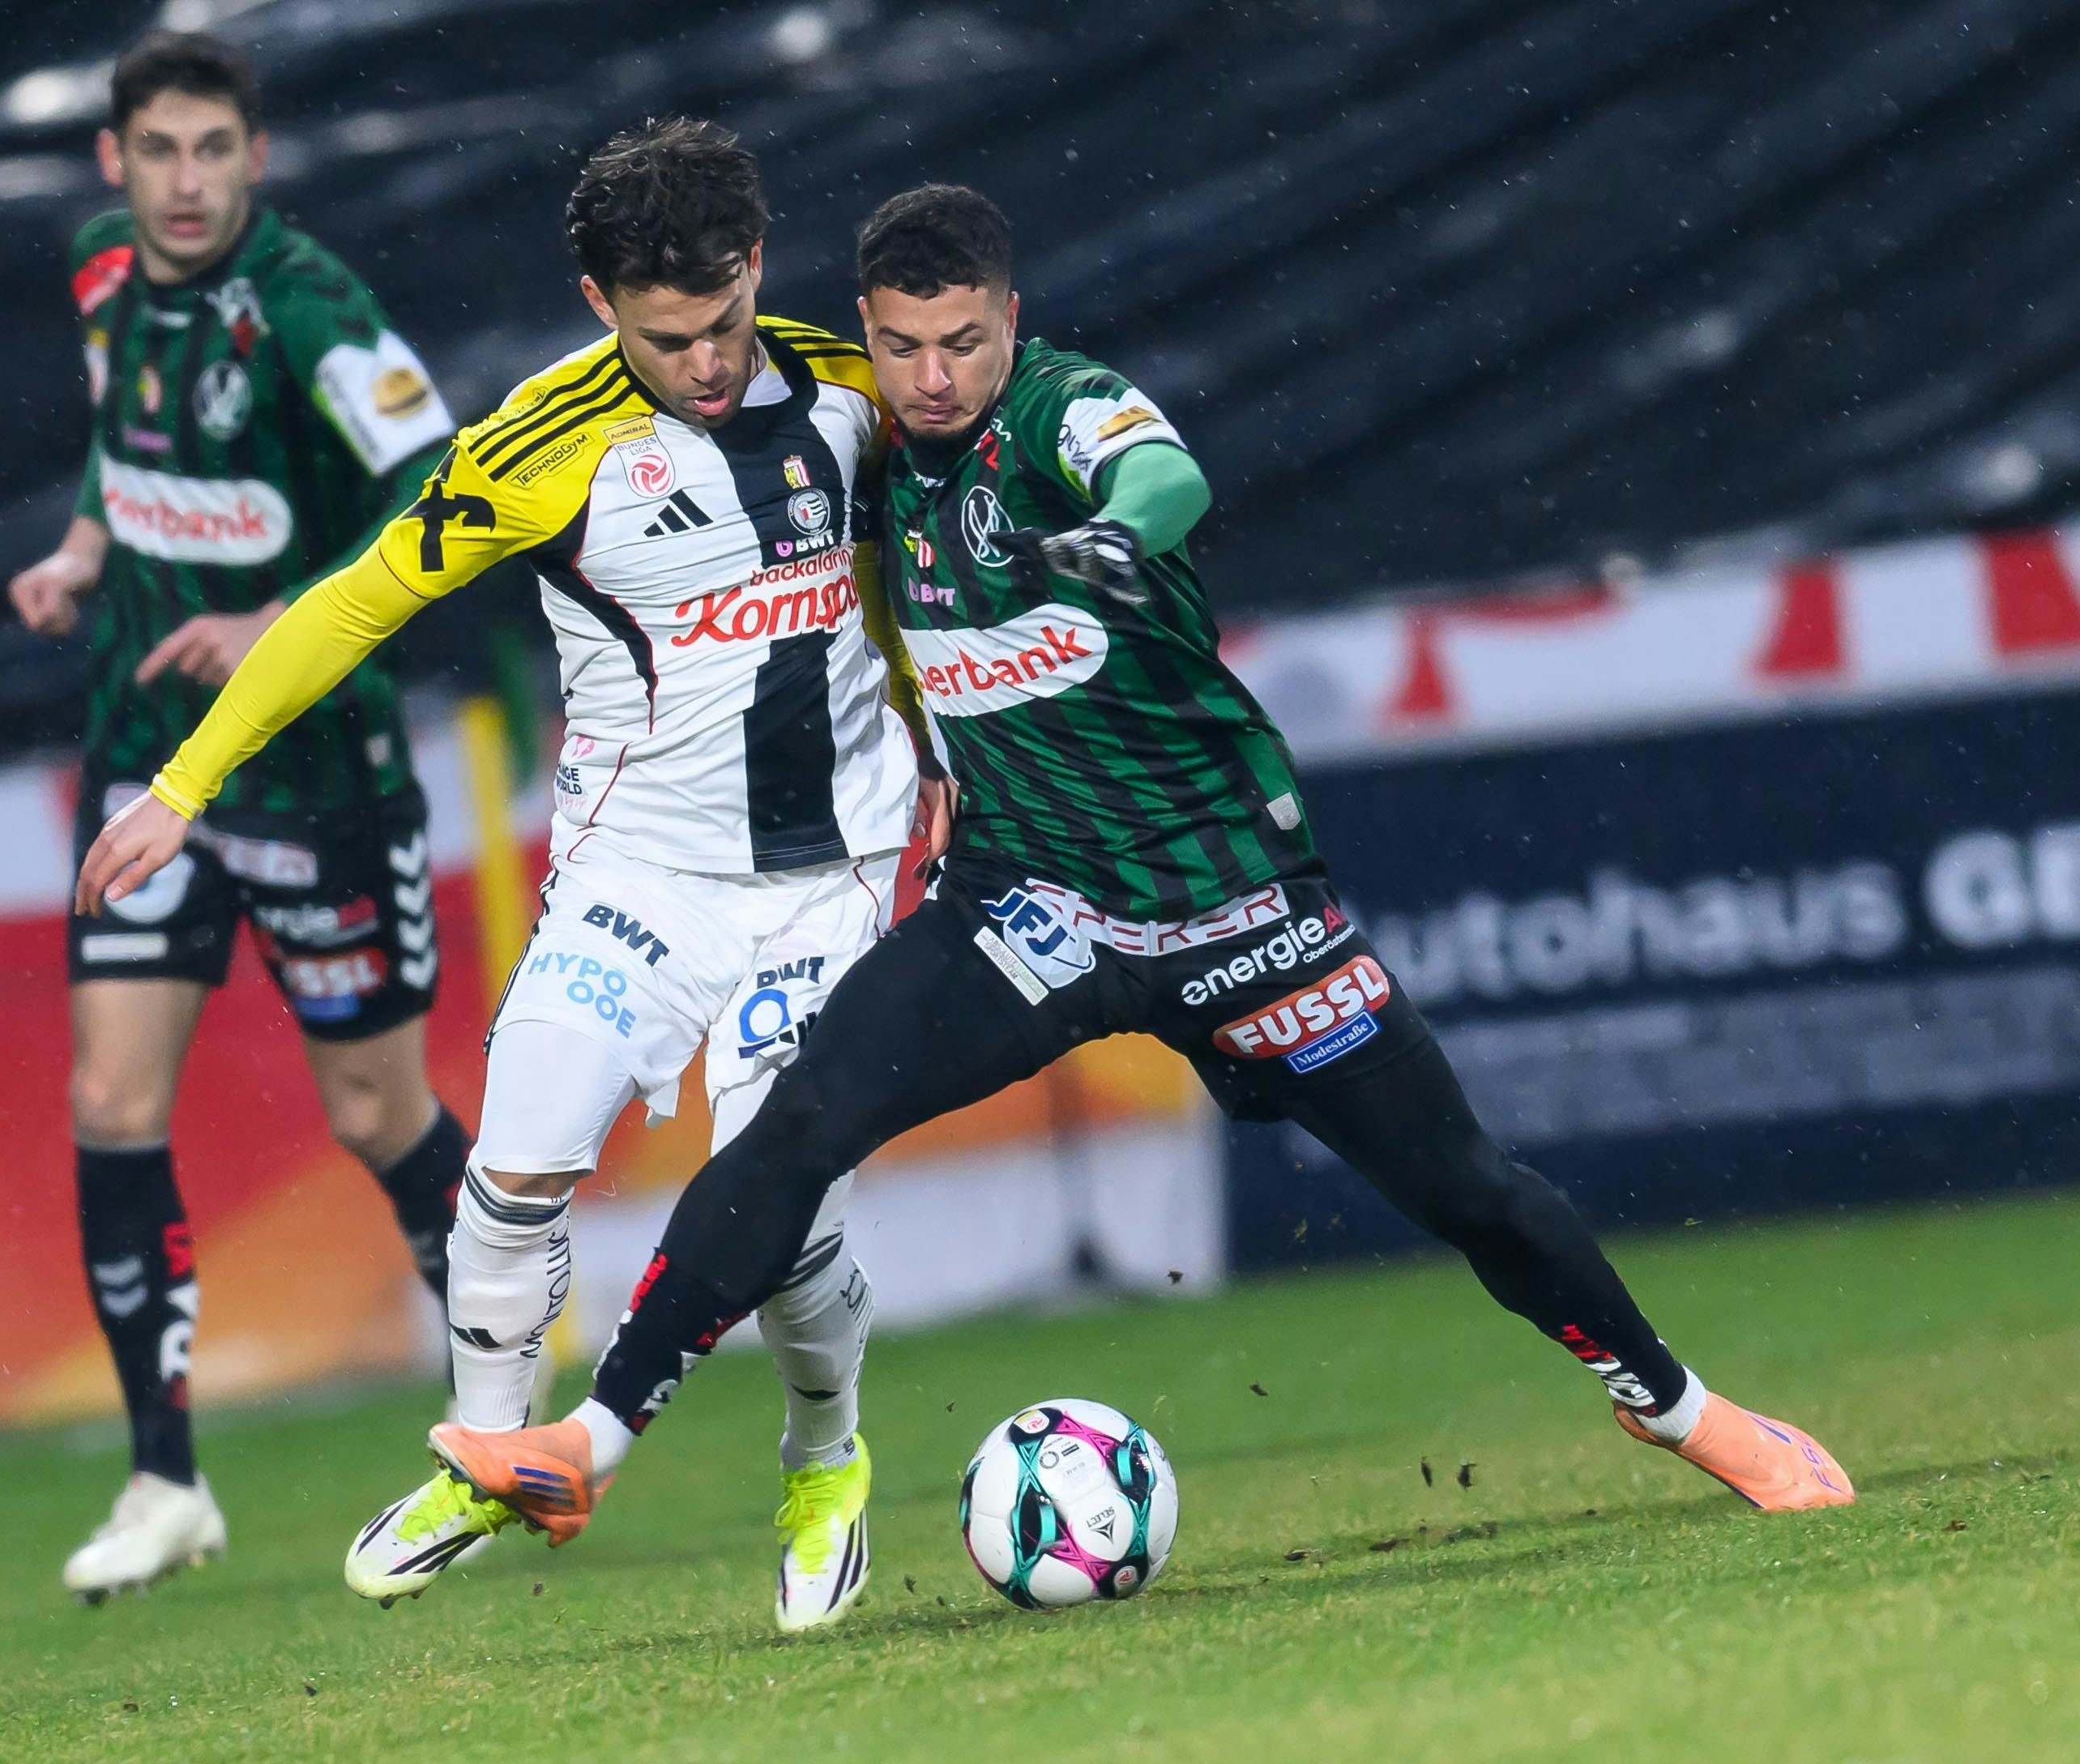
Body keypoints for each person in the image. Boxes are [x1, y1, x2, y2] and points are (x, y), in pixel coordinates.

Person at [421, 182, 1856, 1549]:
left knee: (1467, 1187)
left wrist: (1115, 532)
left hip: (1233, 908)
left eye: (965, 340)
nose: (933, 377)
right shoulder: (853, 451)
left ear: (1012, 319)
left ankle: (1681, 1408)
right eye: (903, 346)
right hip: (1026, 910)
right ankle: (586, 1446)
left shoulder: (1062, 411)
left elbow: (1164, 470)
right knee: (796, 1127)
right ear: (865, 332)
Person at [77, 119, 940, 1632]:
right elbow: (350, 606)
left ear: (757, 264)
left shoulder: (859, 387)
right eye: (671, 340)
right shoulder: (538, 450)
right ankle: (490, 1451)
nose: (713, 365)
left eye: (729, 320)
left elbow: (937, 569)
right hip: (637, 873)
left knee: (780, 1203)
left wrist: (951, 741)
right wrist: (182, 783)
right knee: (509, 1178)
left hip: (831, 870)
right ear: (602, 306)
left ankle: (825, 1458)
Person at [7, 31, 475, 1603]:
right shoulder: (96, 279)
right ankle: (163, 1479)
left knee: (374, 1117)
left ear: (257, 158)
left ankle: (509, 1389)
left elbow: (448, 492)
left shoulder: (314, 310)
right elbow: (120, 441)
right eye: (161, 153)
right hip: (152, 762)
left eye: (216, 150)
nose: (188, 181)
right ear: (112, 165)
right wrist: (83, 552)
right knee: (110, 1101)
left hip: (313, 776)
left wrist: (277, 617)